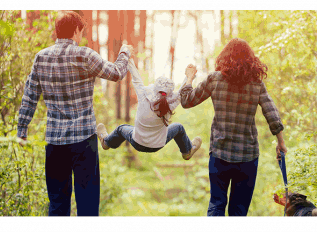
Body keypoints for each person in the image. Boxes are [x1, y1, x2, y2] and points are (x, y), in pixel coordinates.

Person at [16, 11, 131, 216]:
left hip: (54, 143)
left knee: (58, 205)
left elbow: (30, 96)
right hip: (84, 142)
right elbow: (116, 73)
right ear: (76, 31)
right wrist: (124, 53)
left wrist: (22, 129)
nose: (80, 36)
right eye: (81, 32)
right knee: (87, 205)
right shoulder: (85, 55)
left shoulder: (41, 57)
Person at [180, 38, 286, 216]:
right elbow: (271, 112)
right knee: (239, 211)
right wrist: (280, 142)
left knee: (217, 204)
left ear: (224, 57)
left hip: (220, 153)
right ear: (250, 60)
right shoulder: (256, 83)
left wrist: (189, 78)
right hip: (248, 157)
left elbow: (186, 101)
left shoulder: (214, 80)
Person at [96, 61, 202, 159]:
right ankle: (187, 151)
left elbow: (136, 78)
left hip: (137, 142)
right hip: (158, 145)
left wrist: (129, 60)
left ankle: (106, 143)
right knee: (178, 127)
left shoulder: (143, 95)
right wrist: (189, 77)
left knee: (121, 129)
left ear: (154, 89)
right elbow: (181, 93)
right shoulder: (170, 104)